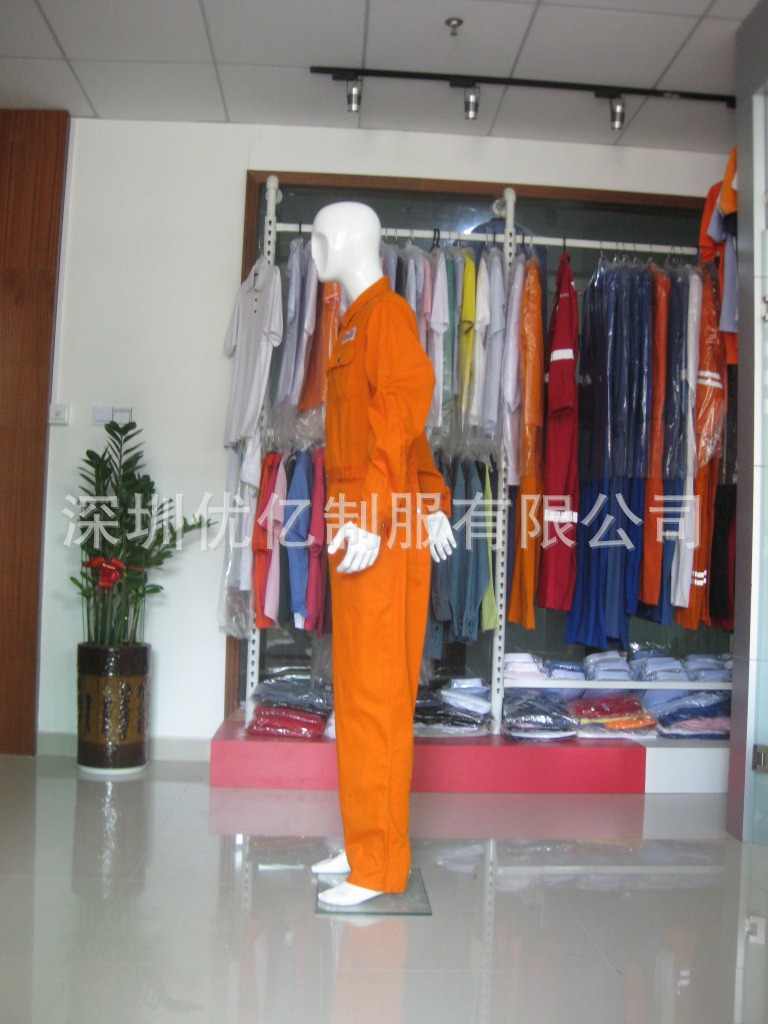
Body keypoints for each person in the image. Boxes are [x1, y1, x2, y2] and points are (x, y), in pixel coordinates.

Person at [310, 201, 455, 907]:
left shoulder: (388, 315)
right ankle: (363, 839)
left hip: (375, 525)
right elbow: (399, 433)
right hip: (358, 518)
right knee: (355, 693)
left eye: (318, 234)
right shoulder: (352, 320)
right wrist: (431, 497)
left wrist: (382, 511)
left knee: (378, 697)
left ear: (348, 239)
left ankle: (379, 866)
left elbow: (404, 407)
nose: (314, 246)